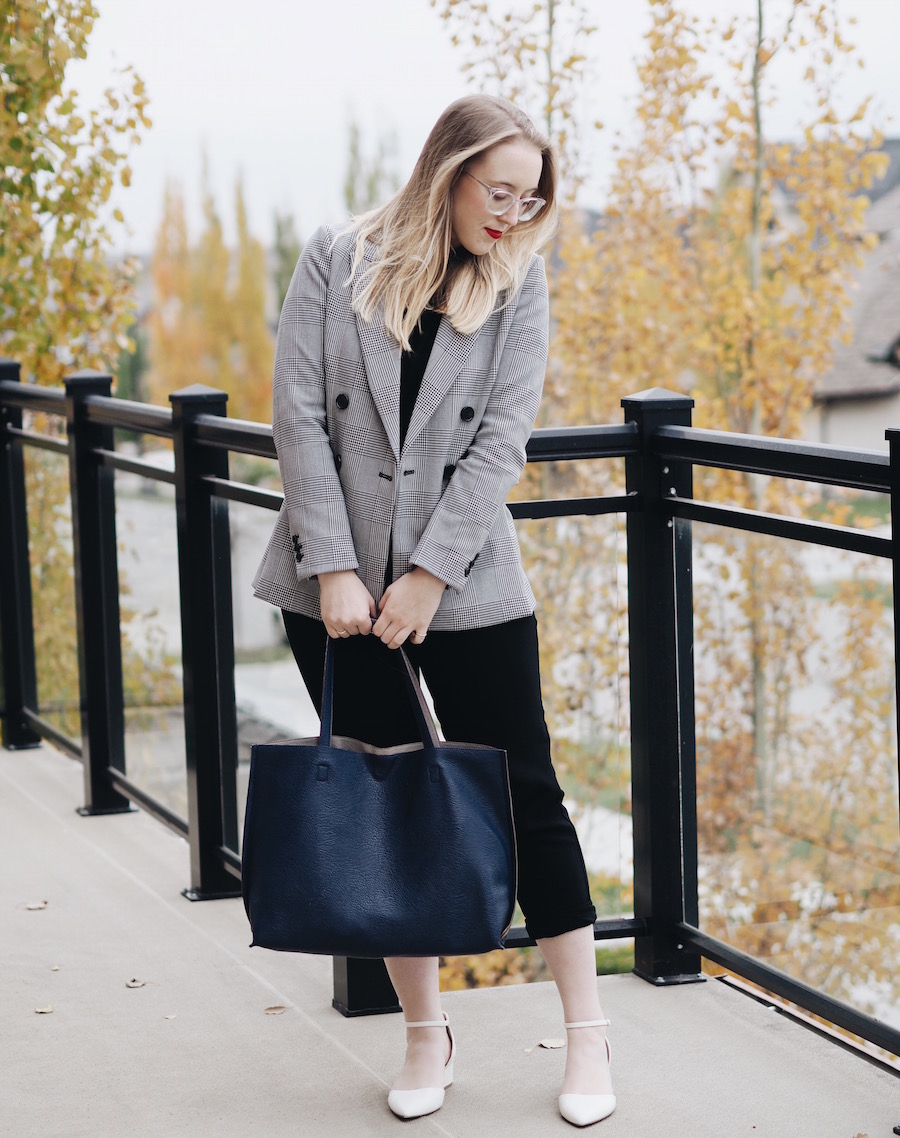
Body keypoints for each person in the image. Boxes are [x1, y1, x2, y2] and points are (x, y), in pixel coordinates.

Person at [252, 93, 615, 1127]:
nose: (512, 213)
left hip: (462, 579)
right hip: (339, 585)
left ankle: (586, 1036)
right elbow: (297, 415)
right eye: (497, 191)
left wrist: (427, 575)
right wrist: (333, 568)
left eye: (530, 197)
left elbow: (502, 442)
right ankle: (426, 1033)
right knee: (389, 800)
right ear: (446, 171)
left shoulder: (518, 280)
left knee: (527, 791)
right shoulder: (339, 256)